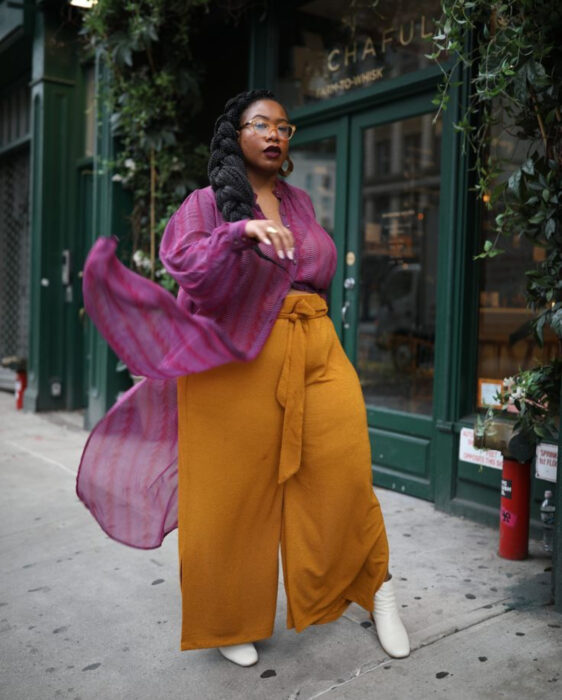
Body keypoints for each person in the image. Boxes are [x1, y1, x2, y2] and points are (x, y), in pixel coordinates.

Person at [77, 89, 409, 668]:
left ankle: (377, 589)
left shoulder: (300, 201)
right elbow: (184, 264)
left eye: (285, 127)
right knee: (232, 495)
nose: (276, 134)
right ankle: (229, 616)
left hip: (315, 346)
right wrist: (240, 234)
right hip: (236, 359)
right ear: (236, 135)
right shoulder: (206, 203)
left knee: (346, 472)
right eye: (262, 124)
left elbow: (318, 269)